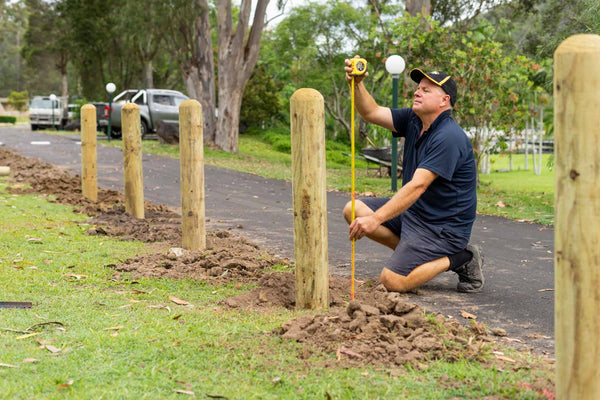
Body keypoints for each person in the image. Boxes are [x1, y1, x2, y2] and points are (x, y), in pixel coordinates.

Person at [343, 56, 484, 293]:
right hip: (416, 214)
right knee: (353, 210)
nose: (417, 93)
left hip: (442, 228)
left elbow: (418, 186)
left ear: (444, 100)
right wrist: (356, 84)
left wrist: (375, 219)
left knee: (392, 281)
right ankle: (417, 260)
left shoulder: (449, 137)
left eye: (426, 90)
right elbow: (371, 112)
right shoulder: (414, 120)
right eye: (418, 89)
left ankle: (461, 257)